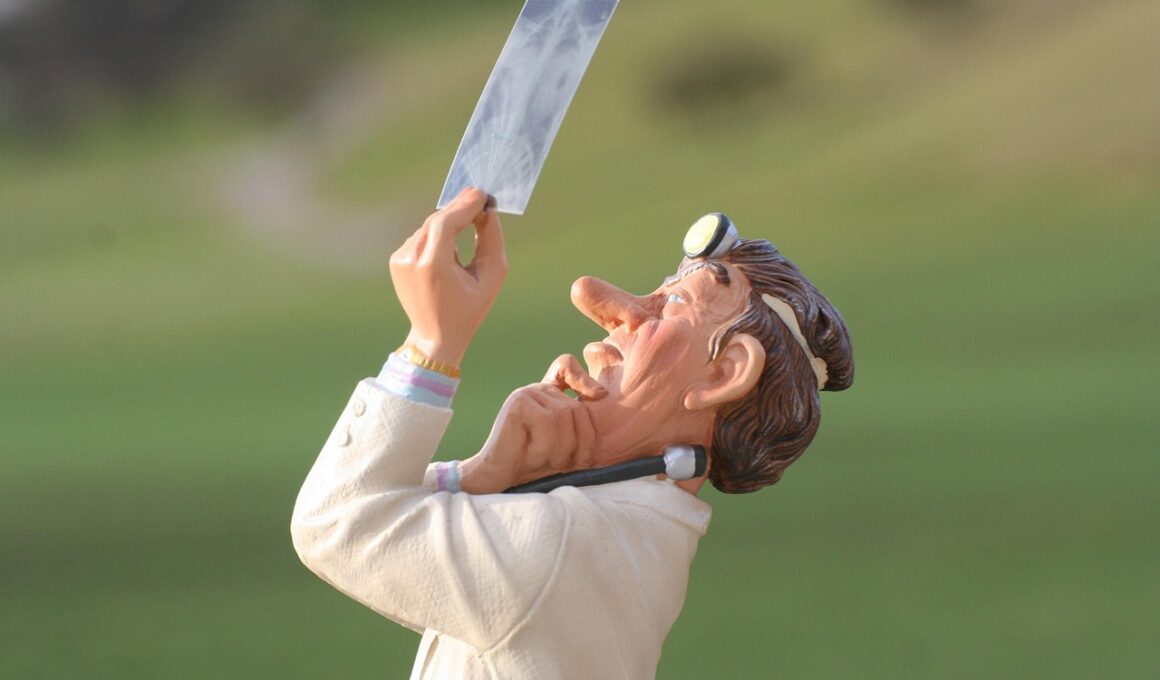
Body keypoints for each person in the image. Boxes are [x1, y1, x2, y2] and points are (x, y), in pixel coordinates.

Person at [291, 188, 854, 679]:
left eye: (673, 304)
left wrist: (430, 348)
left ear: (724, 373)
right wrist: (487, 478)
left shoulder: (563, 545)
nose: (599, 301)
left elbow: (339, 521)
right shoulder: (626, 535)